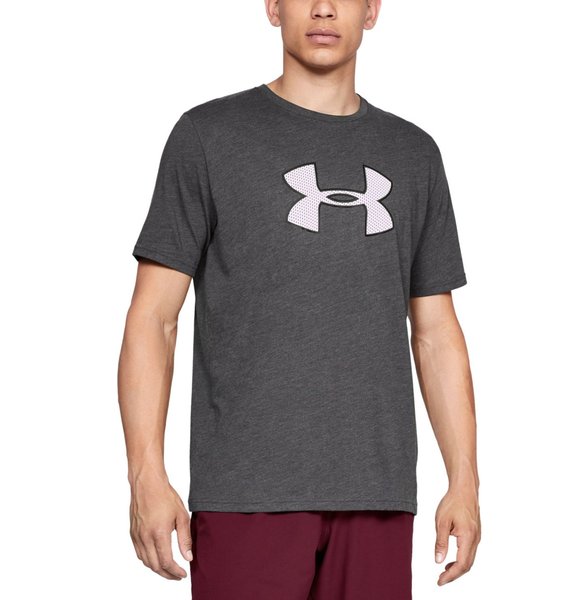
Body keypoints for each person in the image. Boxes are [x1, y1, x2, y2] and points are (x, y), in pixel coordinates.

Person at [117, 0, 481, 597]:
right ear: (273, 8)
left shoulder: (414, 153)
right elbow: (153, 318)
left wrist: (464, 481)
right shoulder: (208, 136)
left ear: (372, 11)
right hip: (245, 493)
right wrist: (145, 477)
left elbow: (436, 332)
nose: (323, 8)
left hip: (379, 493)